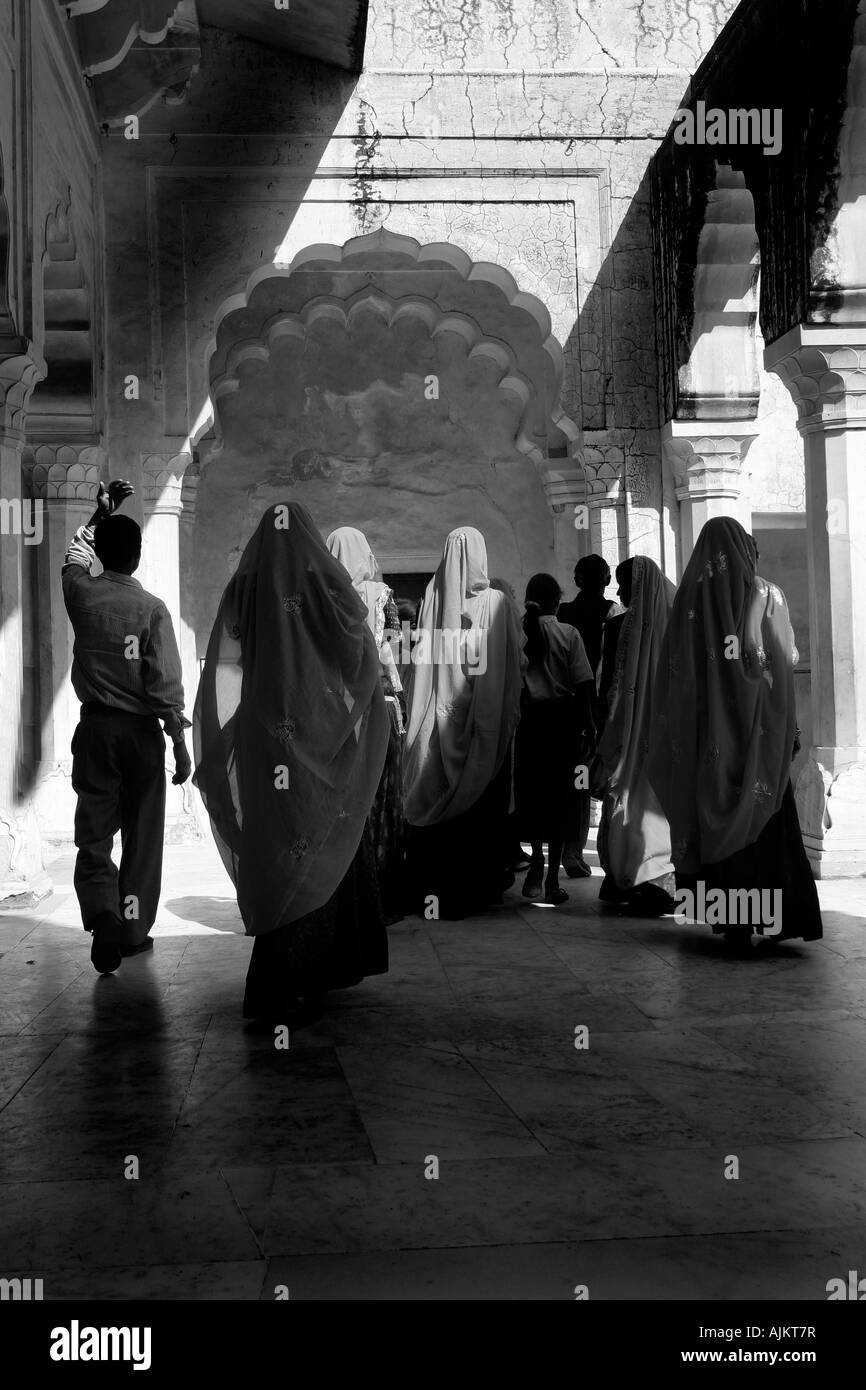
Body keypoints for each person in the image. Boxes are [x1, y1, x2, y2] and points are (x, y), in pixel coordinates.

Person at [193, 503, 391, 1027]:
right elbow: (359, 655)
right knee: (322, 836)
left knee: (278, 845)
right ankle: (302, 973)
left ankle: (291, 974)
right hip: (318, 724)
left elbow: (227, 663)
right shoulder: (321, 585)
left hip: (264, 733)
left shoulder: (244, 587)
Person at [648, 516, 822, 946]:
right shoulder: (767, 595)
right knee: (765, 818)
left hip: (709, 740)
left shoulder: (690, 601)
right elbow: (779, 669)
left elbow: (675, 678)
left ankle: (733, 923)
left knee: (714, 815)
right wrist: (786, 729)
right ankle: (776, 919)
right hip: (759, 738)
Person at [62, 479, 192, 975]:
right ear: (136, 557)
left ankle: (102, 916)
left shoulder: (81, 594)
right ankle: (133, 928)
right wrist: (179, 744)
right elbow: (164, 686)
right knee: (143, 834)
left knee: (94, 832)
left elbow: (74, 555)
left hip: (95, 730)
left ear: (103, 553)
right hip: (140, 734)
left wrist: (98, 515)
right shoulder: (151, 609)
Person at [402, 527, 523, 920]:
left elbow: (423, 664)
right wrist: (495, 716)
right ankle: (478, 888)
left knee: (436, 800)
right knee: (479, 807)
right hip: (481, 726)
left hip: (437, 726)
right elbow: (503, 668)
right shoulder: (497, 602)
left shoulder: (433, 597)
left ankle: (433, 892)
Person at [326, 526, 405, 924]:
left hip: (335, 715)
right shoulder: (382, 596)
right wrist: (398, 693)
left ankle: (342, 895)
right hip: (378, 707)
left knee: (343, 800)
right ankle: (383, 896)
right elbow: (391, 652)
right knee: (381, 795)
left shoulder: (322, 598)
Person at [595, 556, 677, 914]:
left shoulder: (617, 628)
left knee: (631, 801)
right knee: (647, 801)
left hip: (631, 731)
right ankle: (649, 878)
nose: (619, 591)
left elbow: (608, 686)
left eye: (625, 584)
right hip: (659, 731)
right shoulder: (677, 626)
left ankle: (626, 876)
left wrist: (607, 730)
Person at [514, 574, 595, 904]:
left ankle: (535, 860)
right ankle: (551, 880)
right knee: (563, 798)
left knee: (532, 794)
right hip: (563, 723)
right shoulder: (568, 633)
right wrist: (589, 726)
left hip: (529, 723)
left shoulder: (519, 633)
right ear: (557, 601)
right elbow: (584, 683)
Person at [557, 554, 622, 876]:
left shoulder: (564, 612)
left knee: (571, 780)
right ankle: (575, 849)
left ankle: (568, 848)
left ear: (577, 579)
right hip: (597, 706)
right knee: (590, 779)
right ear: (607, 580)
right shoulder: (613, 614)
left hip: (565, 706)